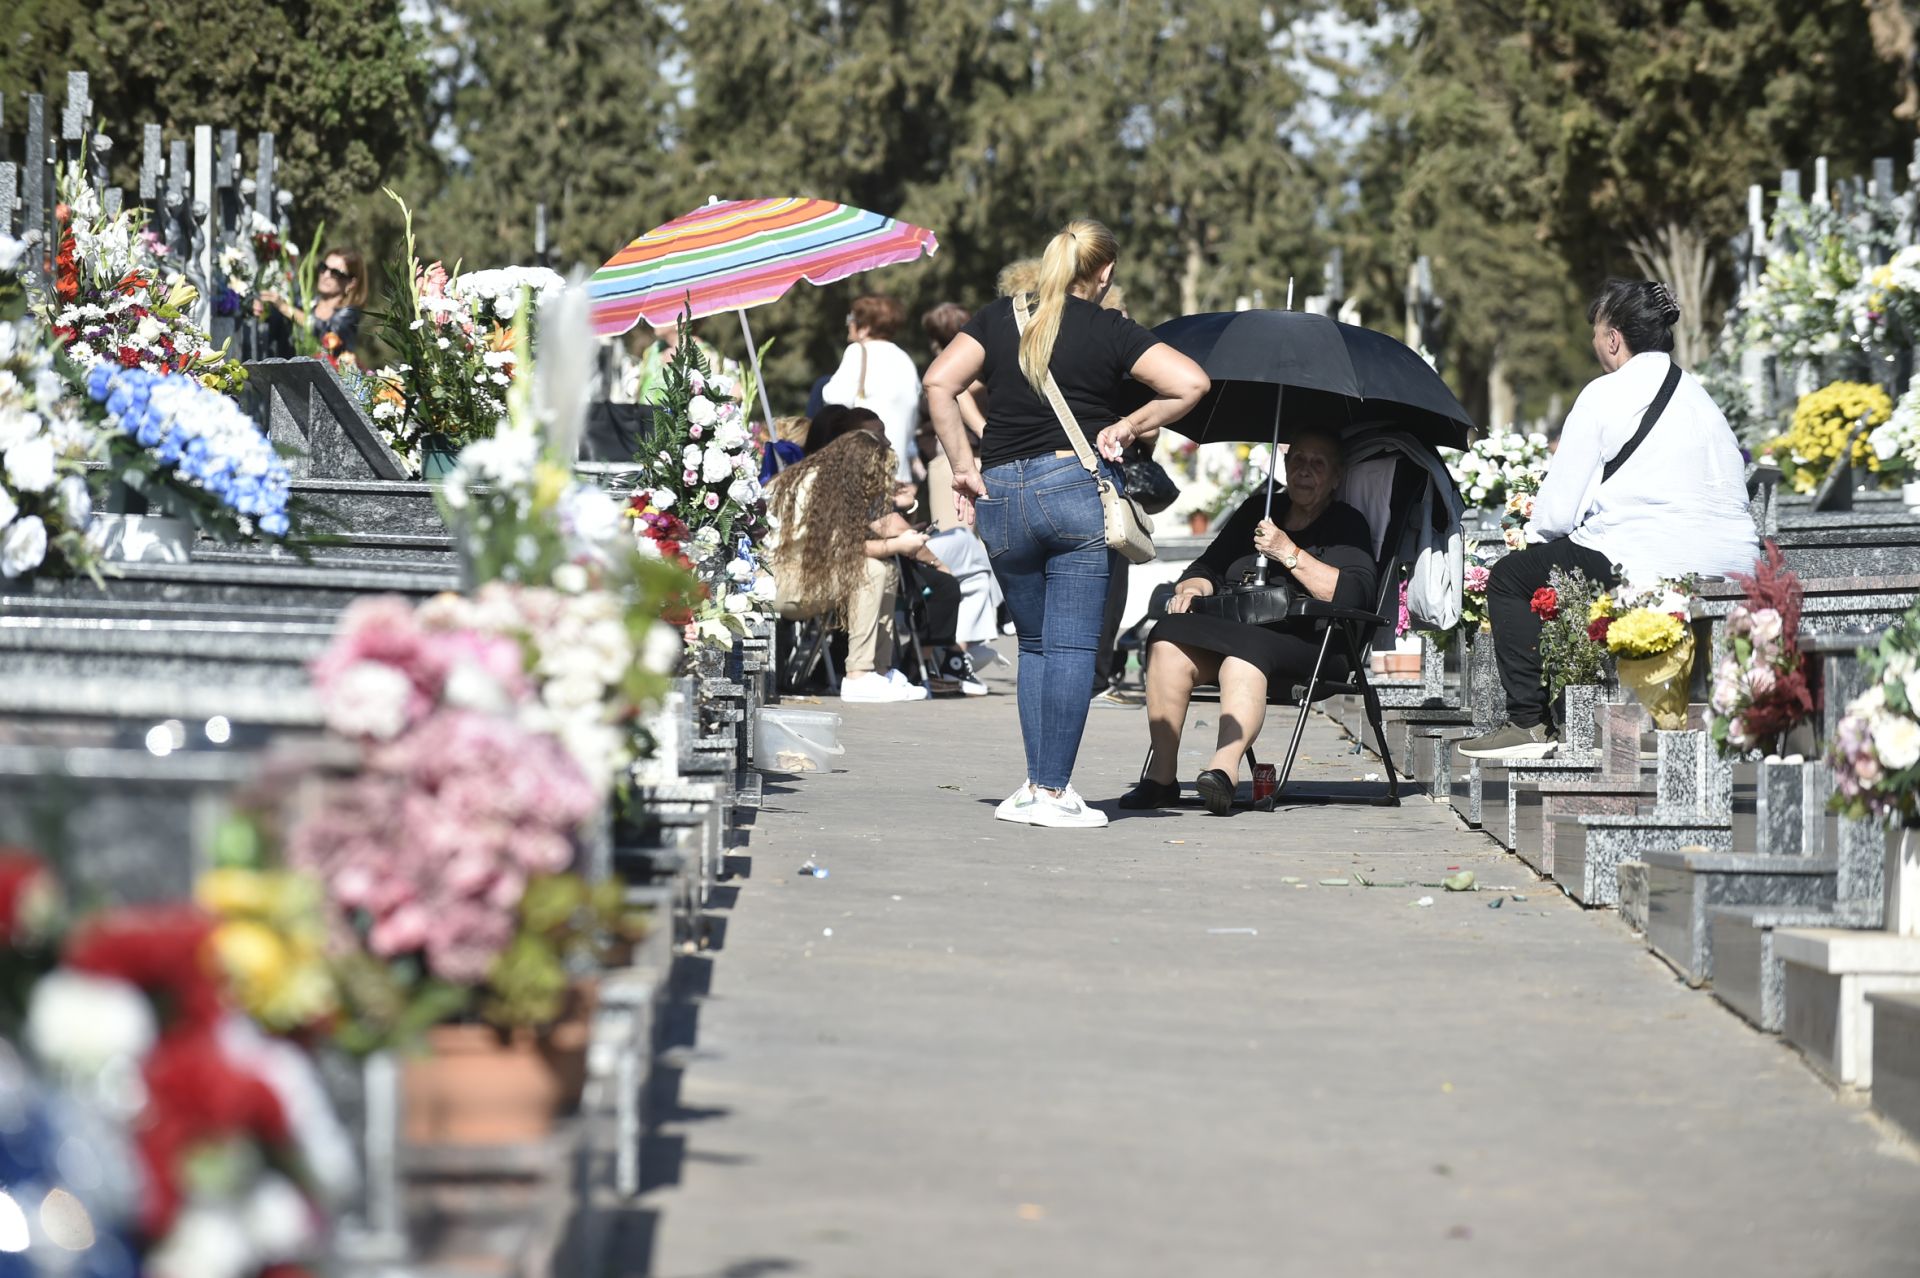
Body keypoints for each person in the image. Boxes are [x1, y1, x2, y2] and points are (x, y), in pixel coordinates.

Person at [924, 219, 1210, 829]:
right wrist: (1129, 425)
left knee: (1035, 645)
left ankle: (1035, 784)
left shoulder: (1001, 318)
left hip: (1000, 492)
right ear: (1103, 273)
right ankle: (1052, 792)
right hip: (1072, 489)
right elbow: (1191, 383)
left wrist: (962, 468)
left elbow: (939, 383)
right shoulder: (1111, 328)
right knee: (1074, 647)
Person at [1457, 279, 1759, 760]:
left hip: (1646, 557)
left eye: (1596, 333)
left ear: (1614, 338)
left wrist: (1530, 540)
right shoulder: (1701, 397)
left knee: (1511, 579)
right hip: (1738, 567)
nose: (1594, 343)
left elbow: (1555, 513)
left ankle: (1528, 725)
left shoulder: (1605, 393)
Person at [1120, 428, 1377, 815]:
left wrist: (1287, 552)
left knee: (1244, 655)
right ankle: (1161, 778)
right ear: (1285, 466)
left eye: (1318, 464)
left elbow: (1353, 595)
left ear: (1337, 478)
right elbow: (1207, 565)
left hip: (1312, 643)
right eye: (1297, 461)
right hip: (1239, 630)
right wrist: (1193, 588)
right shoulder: (1260, 510)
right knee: (1167, 635)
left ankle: (1223, 770)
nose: (1305, 470)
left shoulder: (1347, 523)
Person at [764, 432, 935, 704]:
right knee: (872, 571)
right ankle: (859, 675)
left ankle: (880, 670)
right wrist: (898, 544)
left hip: (799, 577)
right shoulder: (818, 488)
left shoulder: (825, 479)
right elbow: (845, 550)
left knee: (885, 570)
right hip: (783, 583)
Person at [822, 295, 922, 485]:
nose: (848, 324)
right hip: (900, 472)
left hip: (867, 469)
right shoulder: (905, 359)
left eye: (851, 319)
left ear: (865, 327)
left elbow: (835, 399)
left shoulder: (857, 352)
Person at [260, 247, 366, 361]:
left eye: (335, 273)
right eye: (323, 267)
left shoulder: (349, 314)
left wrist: (285, 308)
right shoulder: (303, 303)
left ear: (351, 283)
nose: (325, 275)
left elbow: (326, 332)